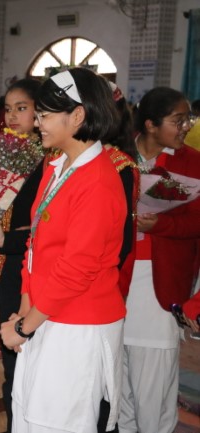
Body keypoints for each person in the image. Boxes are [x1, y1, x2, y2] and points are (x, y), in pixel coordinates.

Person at [0, 69, 126, 432]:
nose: (37, 124)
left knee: (58, 422)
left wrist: (24, 327)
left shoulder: (98, 180)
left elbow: (77, 269)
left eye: (45, 115)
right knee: (30, 416)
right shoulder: (57, 167)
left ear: (78, 115)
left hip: (77, 323)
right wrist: (25, 307)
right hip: (45, 312)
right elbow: (35, 244)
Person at [119, 87, 200, 433]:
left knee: (154, 379)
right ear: (151, 125)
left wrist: (161, 224)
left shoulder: (192, 161)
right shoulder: (118, 155)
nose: (186, 127)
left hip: (161, 278)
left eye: (187, 119)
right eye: (178, 120)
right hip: (117, 278)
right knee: (119, 376)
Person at [0, 77, 43, 432]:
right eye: (8, 109)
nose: (13, 116)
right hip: (10, 273)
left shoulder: (49, 163)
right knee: (12, 367)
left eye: (22, 108)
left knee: (36, 364)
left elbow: (44, 232)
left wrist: (7, 239)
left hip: (36, 273)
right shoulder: (4, 158)